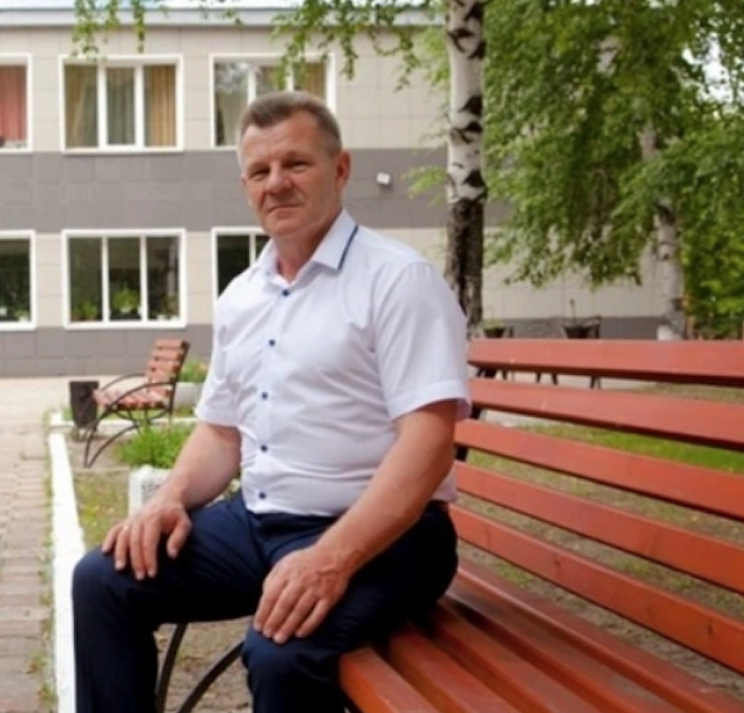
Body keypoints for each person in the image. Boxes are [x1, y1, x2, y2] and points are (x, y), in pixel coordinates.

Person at [71, 90, 471, 713]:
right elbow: (220, 433)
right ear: (246, 186)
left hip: (386, 536)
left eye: (296, 164)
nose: (276, 183)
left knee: (281, 655)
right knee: (102, 581)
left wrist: (332, 558)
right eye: (260, 171)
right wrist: (169, 498)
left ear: (340, 169)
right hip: (258, 523)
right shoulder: (242, 296)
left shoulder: (397, 280)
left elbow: (429, 441)